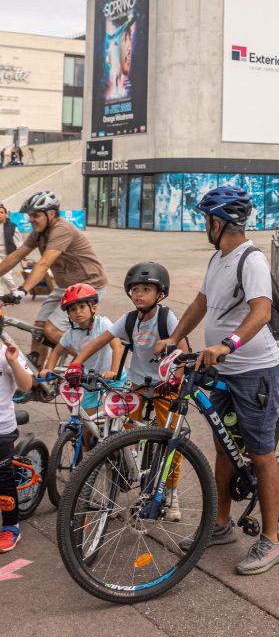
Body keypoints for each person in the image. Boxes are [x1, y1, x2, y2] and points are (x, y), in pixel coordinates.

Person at [155, 185, 279, 575]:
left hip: (254, 370)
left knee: (261, 454)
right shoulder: (218, 259)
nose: (203, 226)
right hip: (222, 370)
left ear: (218, 222)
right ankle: (220, 524)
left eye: (205, 220)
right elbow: (201, 303)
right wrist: (175, 337)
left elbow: (261, 312)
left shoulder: (252, 260)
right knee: (223, 447)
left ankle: (273, 540)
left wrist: (227, 344)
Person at [65, 262, 187, 518]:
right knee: (121, 431)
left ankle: (171, 494)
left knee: (170, 440)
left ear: (160, 293)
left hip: (166, 385)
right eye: (134, 290)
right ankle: (130, 470)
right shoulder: (130, 319)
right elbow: (100, 341)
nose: (139, 294)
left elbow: (182, 351)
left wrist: (176, 378)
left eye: (146, 289)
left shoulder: (166, 317)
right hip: (137, 384)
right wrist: (75, 363)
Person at [0, 191, 109, 368]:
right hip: (66, 287)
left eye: (35, 215)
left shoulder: (61, 229)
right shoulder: (39, 232)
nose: (31, 219)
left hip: (89, 284)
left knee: (52, 330)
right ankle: (37, 383)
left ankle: (93, 365)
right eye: (30, 216)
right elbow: (15, 256)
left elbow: (43, 264)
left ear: (51, 214)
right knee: (39, 329)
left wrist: (22, 290)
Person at [43, 283, 124, 451]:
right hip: (89, 378)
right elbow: (57, 351)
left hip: (113, 376)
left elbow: (117, 346)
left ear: (93, 307)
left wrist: (114, 372)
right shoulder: (71, 333)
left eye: (81, 307)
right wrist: (48, 369)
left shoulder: (103, 323)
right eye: (72, 309)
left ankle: (121, 450)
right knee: (87, 420)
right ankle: (87, 454)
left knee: (117, 418)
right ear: (68, 314)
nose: (77, 312)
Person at [0, 335, 33, 552]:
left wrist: (12, 361)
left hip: (1, 428)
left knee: (2, 476)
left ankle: (11, 525)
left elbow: (26, 385)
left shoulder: (6, 352)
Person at [0, 204, 23, 295]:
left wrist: (22, 254)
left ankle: (14, 291)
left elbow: (19, 241)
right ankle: (0, 295)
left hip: (9, 255)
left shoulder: (12, 226)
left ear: (6, 214)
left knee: (6, 275)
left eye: (1, 212)